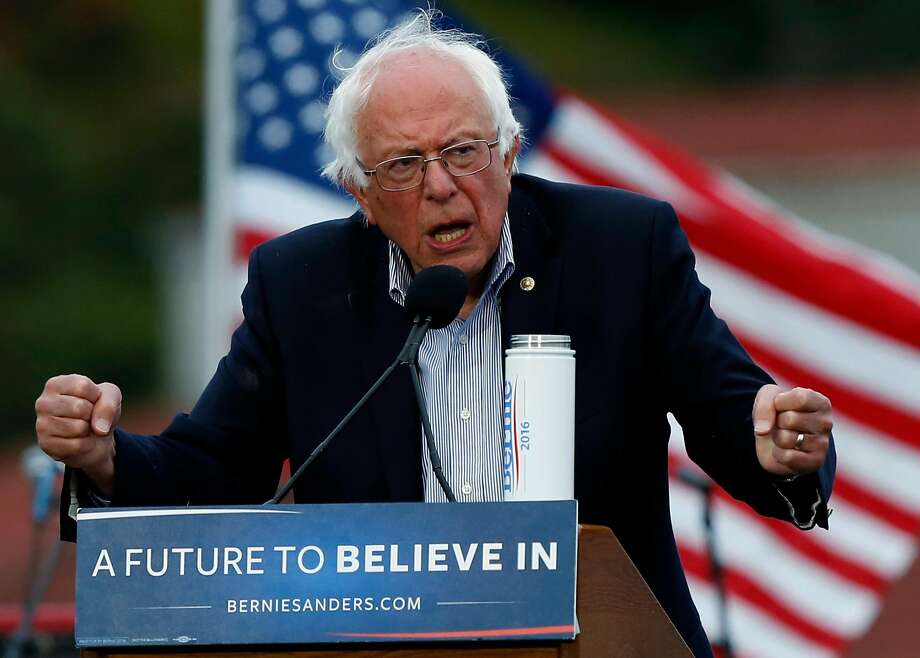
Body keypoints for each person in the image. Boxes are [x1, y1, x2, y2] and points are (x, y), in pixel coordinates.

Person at [35, 12, 834, 657]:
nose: (443, 186)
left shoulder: (620, 252)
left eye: (463, 152)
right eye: (405, 166)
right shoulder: (303, 284)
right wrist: (104, 457)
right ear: (361, 191)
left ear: (510, 151)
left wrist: (777, 448)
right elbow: (212, 468)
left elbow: (732, 409)